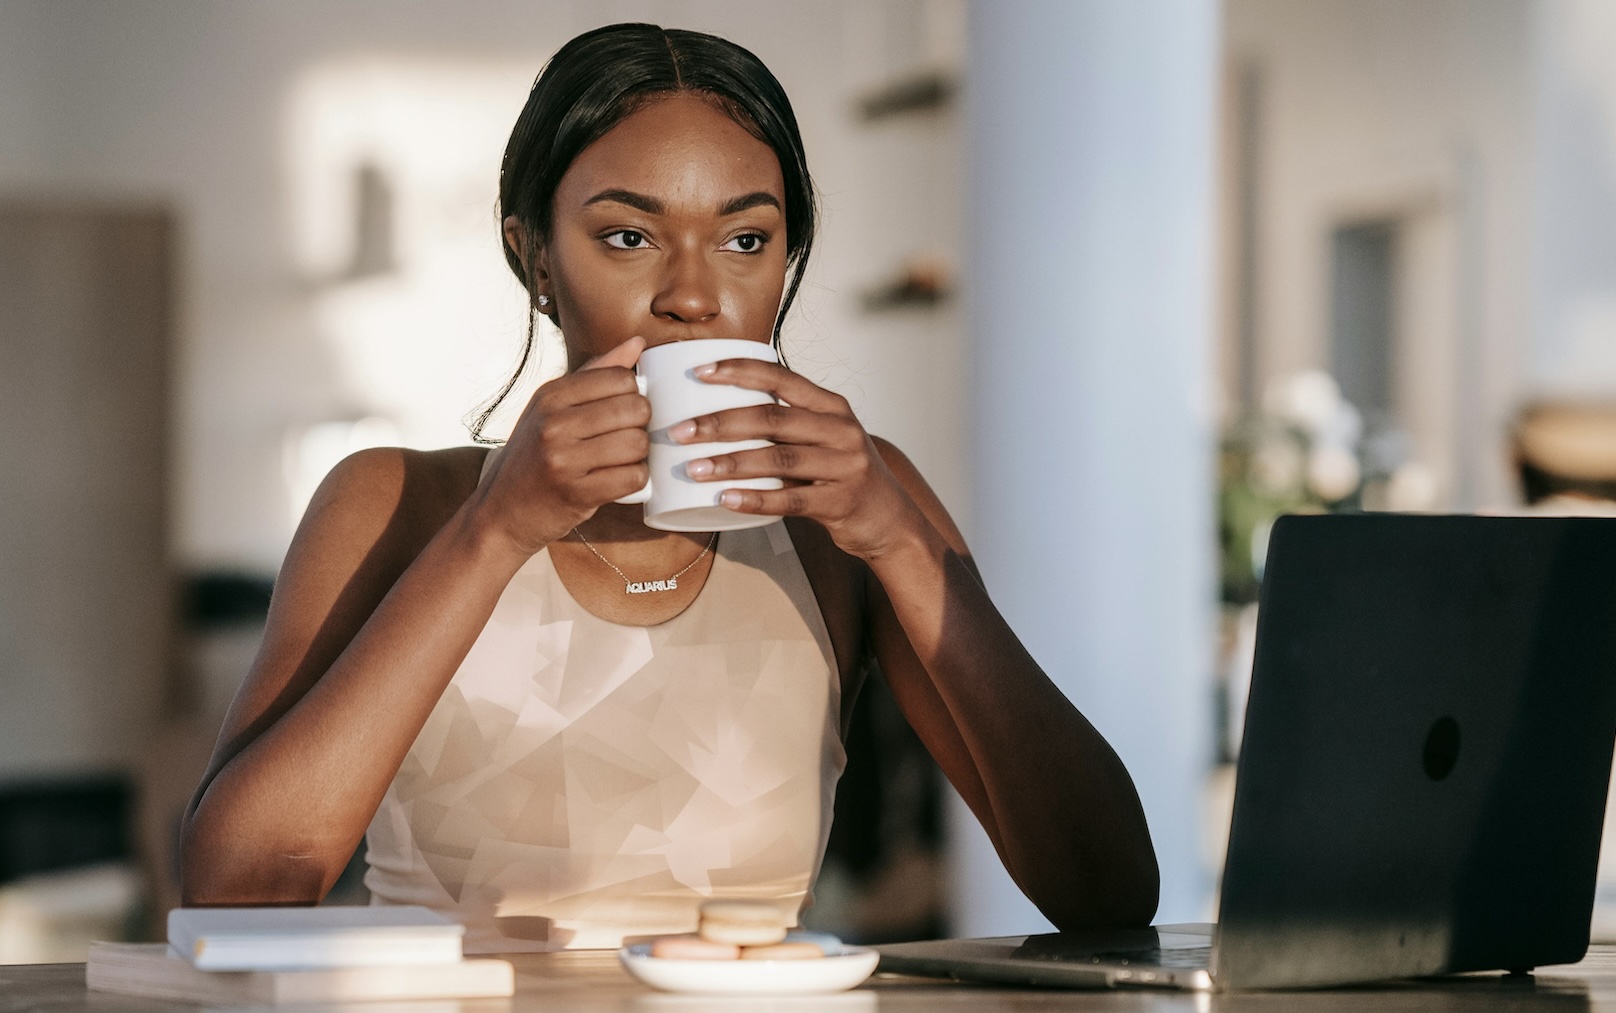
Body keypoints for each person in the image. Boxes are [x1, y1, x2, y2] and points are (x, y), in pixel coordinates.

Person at [180, 22, 1158, 952]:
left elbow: (1107, 891)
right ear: (535, 259)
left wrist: (900, 541)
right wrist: (496, 531)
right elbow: (235, 888)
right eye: (627, 237)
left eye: (745, 240)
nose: (694, 294)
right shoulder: (396, 504)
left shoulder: (850, 513)